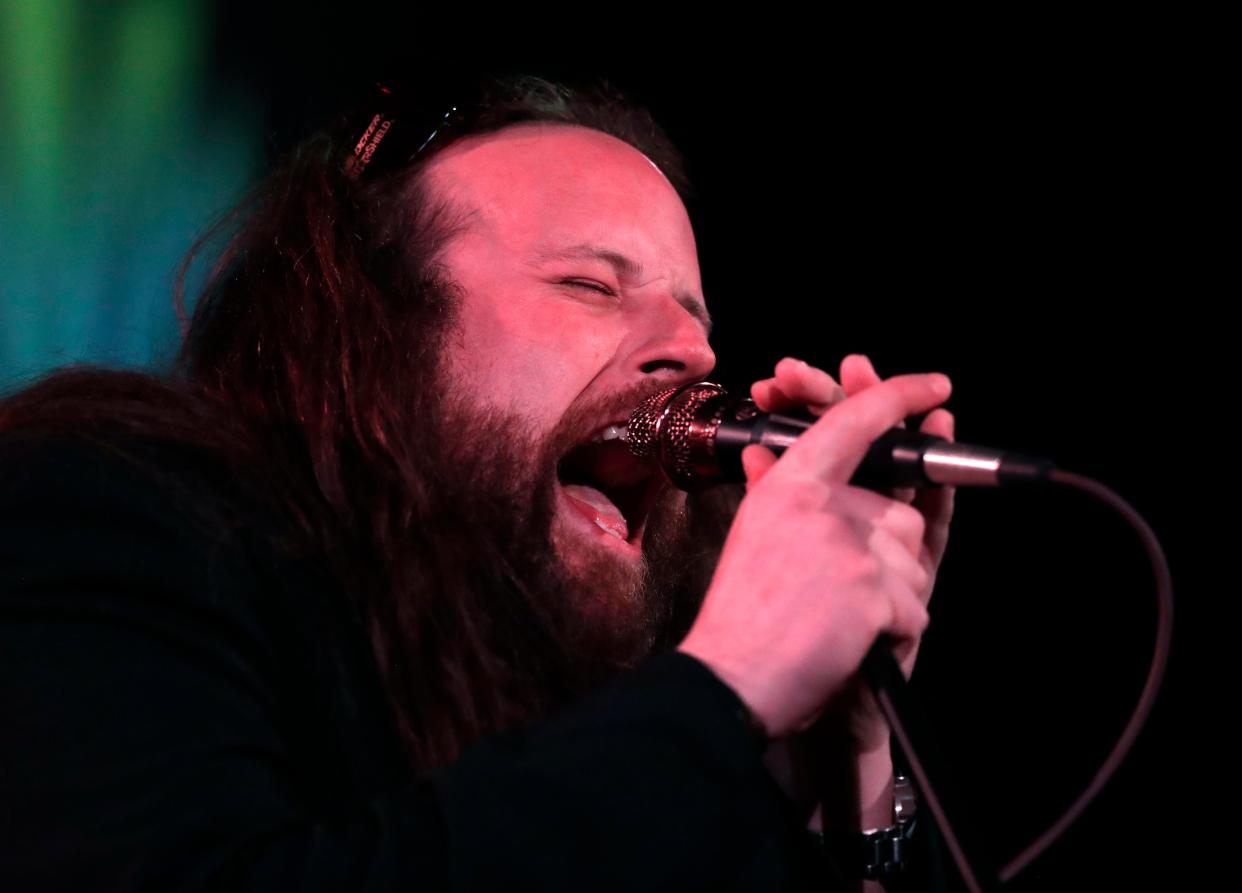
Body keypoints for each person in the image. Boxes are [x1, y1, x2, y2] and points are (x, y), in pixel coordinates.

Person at [0, 74, 956, 890]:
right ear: (374, 334)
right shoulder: (114, 508)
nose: (694, 351)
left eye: (696, 318)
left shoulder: (616, 713)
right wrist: (733, 678)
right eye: (590, 284)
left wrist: (847, 765)